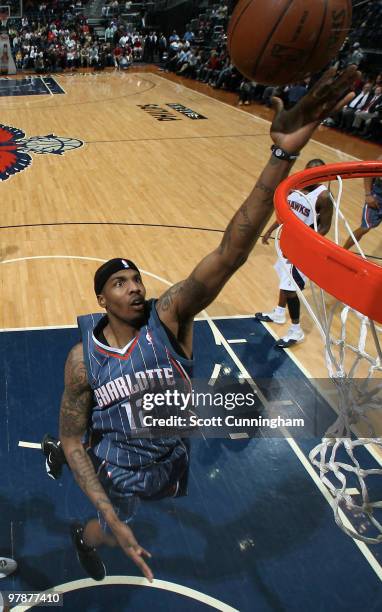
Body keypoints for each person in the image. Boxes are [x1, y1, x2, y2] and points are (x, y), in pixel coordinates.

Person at [41, 67, 358, 584]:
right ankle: (86, 533)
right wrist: (112, 517)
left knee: (111, 432)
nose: (136, 287)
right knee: (109, 505)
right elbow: (75, 436)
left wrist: (281, 156)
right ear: (101, 298)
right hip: (121, 464)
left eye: (137, 279)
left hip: (159, 453)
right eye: (121, 283)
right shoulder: (82, 360)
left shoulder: (169, 318)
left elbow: (232, 249)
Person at [255, 159, 333, 348]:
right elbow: (286, 214)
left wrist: (303, 245)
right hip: (287, 243)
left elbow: (325, 228)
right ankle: (279, 313)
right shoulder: (294, 186)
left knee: (291, 289)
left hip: (303, 249)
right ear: (305, 171)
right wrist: (271, 229)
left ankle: (296, 331)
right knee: (285, 280)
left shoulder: (323, 197)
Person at [343, 154, 382, 250]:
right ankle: (341, 251)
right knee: (365, 228)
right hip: (378, 196)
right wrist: (368, 195)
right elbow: (369, 171)